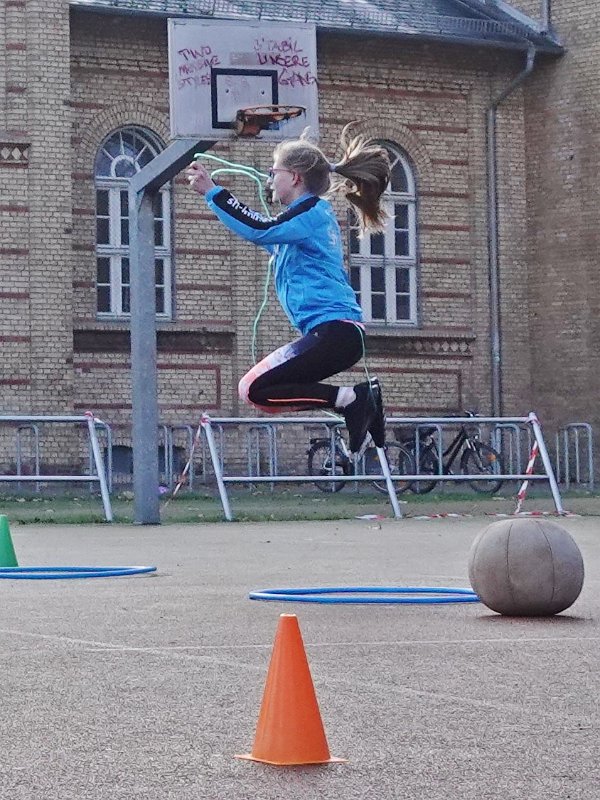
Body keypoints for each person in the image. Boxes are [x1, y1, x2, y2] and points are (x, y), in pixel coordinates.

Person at [186, 125, 390, 454]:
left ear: (294, 177)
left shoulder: (311, 212)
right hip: (335, 333)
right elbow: (263, 231)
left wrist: (213, 192)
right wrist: (215, 196)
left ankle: (354, 399)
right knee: (257, 391)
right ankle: (354, 399)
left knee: (253, 388)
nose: (269, 179)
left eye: (273, 172)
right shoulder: (304, 220)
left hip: (336, 332)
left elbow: (259, 228)